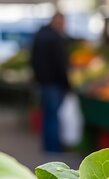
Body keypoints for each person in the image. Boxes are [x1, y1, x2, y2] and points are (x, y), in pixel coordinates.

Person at [30, 12, 70, 153]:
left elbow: (33, 60)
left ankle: (48, 146)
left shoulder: (40, 36)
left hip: (43, 82)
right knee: (53, 116)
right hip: (53, 83)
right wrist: (66, 84)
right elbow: (60, 64)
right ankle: (54, 148)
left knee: (47, 115)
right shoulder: (55, 38)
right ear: (58, 22)